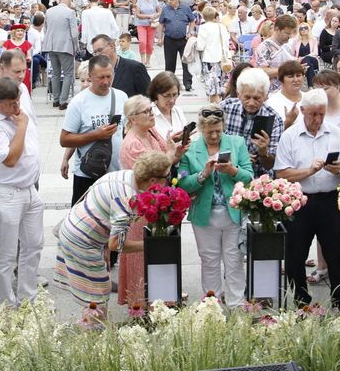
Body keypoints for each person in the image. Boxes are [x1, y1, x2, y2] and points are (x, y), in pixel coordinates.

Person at [54, 151, 173, 319]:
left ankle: (96, 330)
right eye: (167, 177)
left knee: (97, 289)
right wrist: (152, 245)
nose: (169, 180)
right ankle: (94, 333)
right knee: (96, 296)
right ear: (153, 180)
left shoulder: (127, 175)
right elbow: (117, 244)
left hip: (76, 228)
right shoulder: (127, 198)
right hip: (82, 240)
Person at [275, 88, 340, 311]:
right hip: (300, 201)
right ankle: (301, 302)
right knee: (295, 253)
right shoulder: (290, 136)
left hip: (330, 200)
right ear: (302, 111)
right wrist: (308, 172)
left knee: (336, 252)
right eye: (313, 114)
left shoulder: (335, 132)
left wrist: (337, 170)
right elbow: (282, 172)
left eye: (321, 114)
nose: (317, 119)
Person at [0, 78, 45, 306]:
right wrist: (22, 126)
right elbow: (10, 158)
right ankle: (7, 302)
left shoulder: (17, 108)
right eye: (10, 104)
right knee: (5, 253)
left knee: (33, 245)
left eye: (18, 101)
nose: (17, 108)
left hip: (29, 188)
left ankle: (28, 298)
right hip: (6, 193)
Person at [178, 105, 253, 306]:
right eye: (210, 132)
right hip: (205, 214)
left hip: (233, 212)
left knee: (234, 261)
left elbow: (250, 176)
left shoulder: (236, 143)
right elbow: (183, 183)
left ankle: (237, 304)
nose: (214, 136)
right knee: (209, 261)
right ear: (201, 129)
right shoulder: (190, 149)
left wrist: (232, 171)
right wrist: (203, 175)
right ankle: (212, 305)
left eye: (218, 131)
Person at [116, 95, 183, 305]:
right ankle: (141, 306)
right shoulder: (131, 144)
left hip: (158, 203)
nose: (152, 114)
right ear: (133, 118)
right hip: (142, 208)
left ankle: (162, 298)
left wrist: (176, 152)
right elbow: (154, 172)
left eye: (151, 110)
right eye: (146, 111)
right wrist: (171, 156)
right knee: (140, 256)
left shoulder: (151, 132)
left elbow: (166, 159)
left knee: (159, 253)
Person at [60, 55, 128, 204]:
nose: (105, 81)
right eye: (100, 77)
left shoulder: (121, 96)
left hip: (115, 173)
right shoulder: (79, 102)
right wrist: (96, 134)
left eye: (109, 76)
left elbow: (128, 131)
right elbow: (65, 139)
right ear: (90, 76)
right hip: (87, 173)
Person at [219, 67, 285, 174]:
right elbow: (209, 144)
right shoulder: (225, 108)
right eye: (247, 97)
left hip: (258, 177)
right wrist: (238, 157)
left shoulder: (275, 120)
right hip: (227, 173)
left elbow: (270, 165)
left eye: (257, 98)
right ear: (238, 93)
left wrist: (263, 152)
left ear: (265, 96)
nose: (251, 103)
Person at [41, 0, 79, 109]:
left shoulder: (49, 11)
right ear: (69, 1)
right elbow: (74, 33)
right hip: (65, 46)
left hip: (51, 45)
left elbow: (45, 28)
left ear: (60, 1)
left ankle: (56, 99)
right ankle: (63, 101)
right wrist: (76, 46)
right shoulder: (70, 12)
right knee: (68, 73)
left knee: (56, 73)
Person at [160, 0, 199, 93]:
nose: (169, 1)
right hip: (169, 39)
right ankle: (169, 84)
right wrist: (159, 38)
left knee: (186, 61)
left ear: (177, 0)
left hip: (183, 39)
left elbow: (192, 20)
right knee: (169, 63)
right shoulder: (165, 9)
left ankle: (188, 83)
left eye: (171, 0)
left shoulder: (185, 8)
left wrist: (190, 32)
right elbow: (161, 23)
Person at [90, 34, 150, 99]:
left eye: (100, 50)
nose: (98, 55)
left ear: (112, 46)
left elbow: (147, 97)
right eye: (95, 53)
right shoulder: (96, 72)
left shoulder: (135, 68)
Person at [194, 6, 233, 104]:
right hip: (221, 58)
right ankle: (219, 101)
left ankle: (212, 103)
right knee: (219, 82)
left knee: (210, 83)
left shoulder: (203, 28)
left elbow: (200, 46)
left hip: (208, 58)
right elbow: (226, 43)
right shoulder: (221, 26)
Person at [266, 60, 306, 130]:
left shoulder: (309, 98)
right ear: (281, 79)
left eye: (298, 75)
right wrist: (288, 122)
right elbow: (269, 135)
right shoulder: (271, 104)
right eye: (290, 76)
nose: (296, 80)